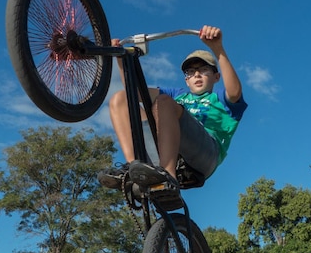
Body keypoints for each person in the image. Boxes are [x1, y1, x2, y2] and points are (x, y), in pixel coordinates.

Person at [98, 25, 247, 192]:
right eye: (190, 72)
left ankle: (168, 176)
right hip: (168, 148)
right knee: (120, 99)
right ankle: (134, 169)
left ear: (216, 77)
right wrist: (121, 59)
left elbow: (234, 92)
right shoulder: (178, 95)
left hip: (205, 155)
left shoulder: (220, 99)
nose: (196, 75)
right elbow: (135, 93)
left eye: (204, 70)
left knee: (163, 102)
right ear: (186, 81)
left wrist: (217, 49)